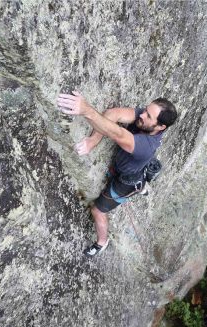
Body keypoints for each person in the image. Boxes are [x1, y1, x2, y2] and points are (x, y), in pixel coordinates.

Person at [57, 91, 178, 256]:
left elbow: (117, 133)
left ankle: (102, 243)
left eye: (148, 115)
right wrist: (93, 141)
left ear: (160, 127)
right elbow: (113, 114)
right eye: (145, 110)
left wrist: (87, 110)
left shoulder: (146, 146)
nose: (141, 114)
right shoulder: (147, 120)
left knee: (98, 211)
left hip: (126, 183)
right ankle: (142, 187)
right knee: (136, 171)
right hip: (130, 168)